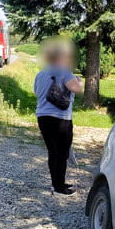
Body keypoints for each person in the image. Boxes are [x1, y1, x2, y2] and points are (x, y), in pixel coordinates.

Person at [34, 39, 84, 195]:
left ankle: (56, 183)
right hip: (61, 118)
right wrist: (78, 81)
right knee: (62, 153)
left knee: (52, 152)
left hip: (43, 117)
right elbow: (77, 89)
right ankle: (60, 186)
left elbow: (36, 92)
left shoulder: (41, 73)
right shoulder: (65, 72)